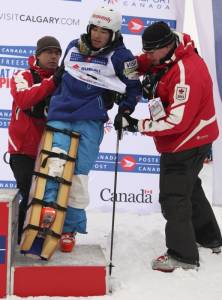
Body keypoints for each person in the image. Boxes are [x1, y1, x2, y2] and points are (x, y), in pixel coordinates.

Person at [114, 21, 222, 272]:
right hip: (192, 137)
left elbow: (177, 121)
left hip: (188, 139)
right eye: (147, 52)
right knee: (190, 189)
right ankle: (210, 238)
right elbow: (142, 64)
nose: (148, 57)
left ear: (166, 46)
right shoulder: (166, 55)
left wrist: (136, 125)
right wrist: (124, 69)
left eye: (151, 53)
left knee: (174, 197)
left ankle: (182, 255)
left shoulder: (187, 71)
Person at [40, 6, 141, 253]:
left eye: (104, 31)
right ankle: (46, 219)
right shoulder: (74, 45)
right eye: (94, 29)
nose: (97, 35)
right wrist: (47, 100)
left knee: (78, 177)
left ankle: (70, 229)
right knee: (54, 167)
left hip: (90, 119)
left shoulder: (122, 57)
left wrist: (125, 111)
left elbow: (134, 87)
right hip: (61, 114)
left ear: (114, 33)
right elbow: (61, 76)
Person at [8, 36, 62, 243]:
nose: (53, 56)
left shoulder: (62, 80)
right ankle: (19, 240)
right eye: (48, 52)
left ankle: (39, 239)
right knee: (30, 194)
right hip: (22, 150)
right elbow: (23, 99)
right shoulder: (22, 75)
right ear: (37, 55)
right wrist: (53, 82)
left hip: (51, 149)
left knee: (48, 197)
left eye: (57, 53)